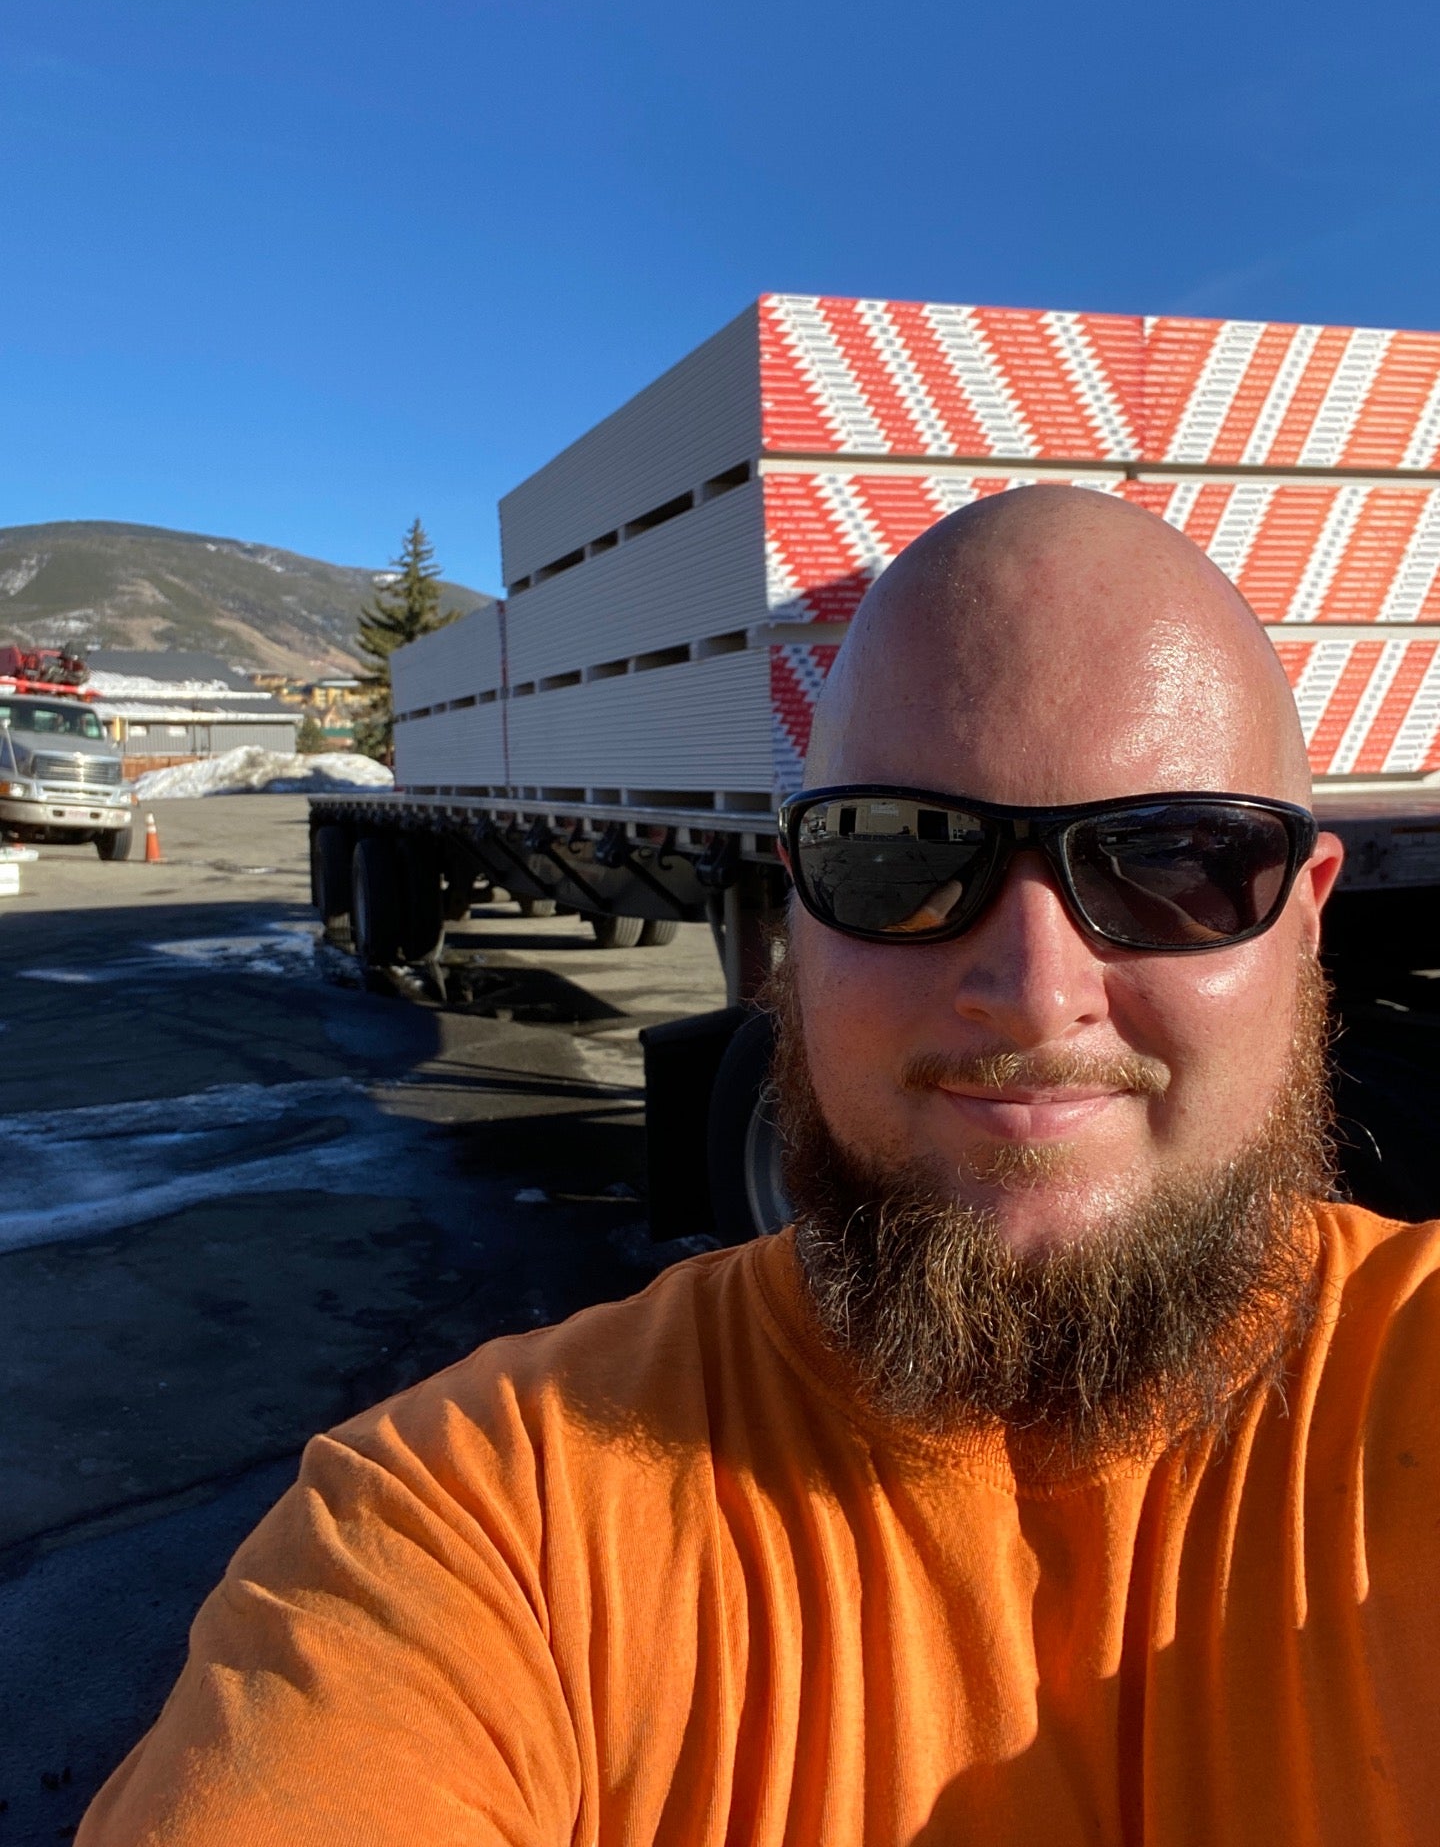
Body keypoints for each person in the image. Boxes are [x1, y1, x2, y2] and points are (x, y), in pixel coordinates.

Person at [80, 485, 1440, 1845]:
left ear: (1308, 915)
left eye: (1179, 862)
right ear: (796, 910)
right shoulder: (481, 1523)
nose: (1036, 992)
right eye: (902, 854)